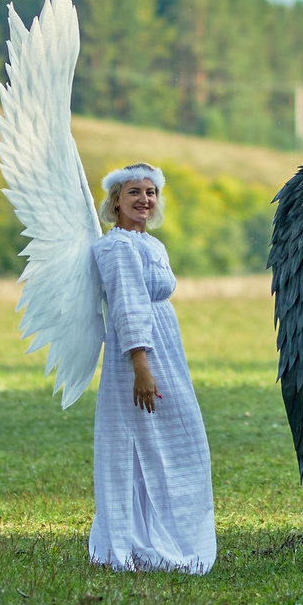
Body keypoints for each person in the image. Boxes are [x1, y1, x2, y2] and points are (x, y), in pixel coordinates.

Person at [86, 164, 216, 575]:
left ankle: (169, 534)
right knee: (139, 443)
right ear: (116, 201)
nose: (145, 199)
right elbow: (126, 305)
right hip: (138, 353)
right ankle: (136, 540)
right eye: (134, 193)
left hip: (166, 349)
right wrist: (140, 366)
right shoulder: (117, 248)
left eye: (151, 192)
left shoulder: (151, 245)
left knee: (180, 441)